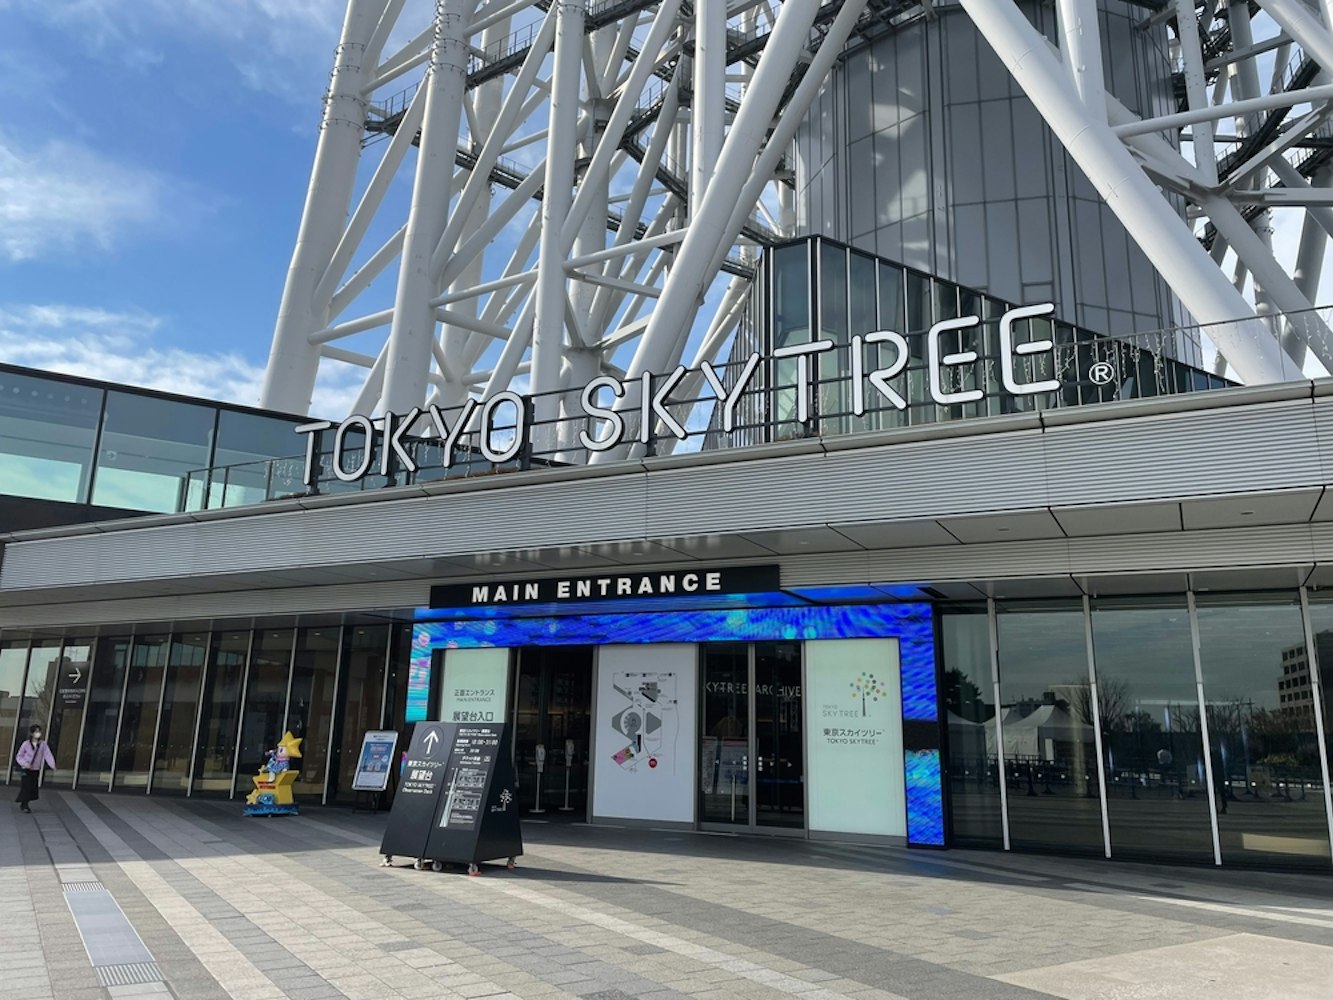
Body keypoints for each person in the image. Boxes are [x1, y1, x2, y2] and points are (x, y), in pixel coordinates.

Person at [14, 725, 56, 814]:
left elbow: (47, 755)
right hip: (25, 769)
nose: (38, 733)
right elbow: (19, 756)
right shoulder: (26, 744)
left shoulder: (43, 744)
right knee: (26, 786)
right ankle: (24, 805)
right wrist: (25, 764)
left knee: (32, 787)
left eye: (39, 731)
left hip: (35, 769)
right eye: (36, 731)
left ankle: (24, 802)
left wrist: (52, 765)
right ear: (32, 733)